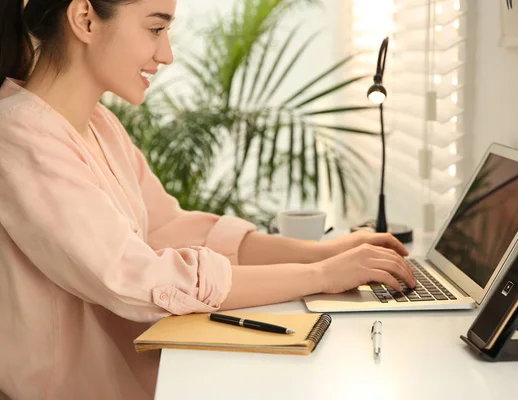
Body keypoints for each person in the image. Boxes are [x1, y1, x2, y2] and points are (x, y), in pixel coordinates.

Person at [0, 0, 416, 398]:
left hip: (146, 379)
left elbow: (168, 227)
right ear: (85, 20)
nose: (166, 54)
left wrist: (320, 252)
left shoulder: (97, 123)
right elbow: (140, 277)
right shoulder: (20, 138)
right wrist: (324, 275)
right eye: (155, 28)